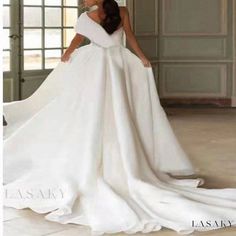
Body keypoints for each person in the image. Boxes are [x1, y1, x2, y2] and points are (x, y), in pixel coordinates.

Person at [3, 0, 236, 235]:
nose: (84, 1)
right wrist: (71, 52)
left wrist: (141, 57)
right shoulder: (102, 15)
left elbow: (109, 38)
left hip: (107, 64)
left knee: (109, 109)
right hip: (105, 64)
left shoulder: (105, 15)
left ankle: (113, 155)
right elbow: (102, 38)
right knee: (98, 108)